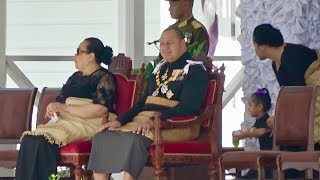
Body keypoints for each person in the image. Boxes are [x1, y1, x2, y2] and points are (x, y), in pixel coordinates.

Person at [87, 26, 209, 180]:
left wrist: (154, 121)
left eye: (170, 43)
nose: (165, 48)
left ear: (183, 43)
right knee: (102, 137)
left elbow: (188, 108)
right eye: (162, 44)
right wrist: (119, 121)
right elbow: (141, 104)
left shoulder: (194, 71)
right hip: (145, 121)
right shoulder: (159, 69)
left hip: (176, 125)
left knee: (134, 139)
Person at [15, 37, 117, 180]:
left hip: (89, 121)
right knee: (29, 139)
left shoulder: (105, 77)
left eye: (78, 52)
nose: (75, 56)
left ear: (91, 56)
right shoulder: (75, 77)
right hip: (67, 120)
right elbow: (62, 100)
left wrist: (66, 108)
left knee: (42, 141)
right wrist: (55, 109)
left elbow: (100, 109)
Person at [252, 23, 319, 178]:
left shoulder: (292, 56)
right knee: (272, 131)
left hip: (313, 106)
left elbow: (301, 95)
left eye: (255, 45)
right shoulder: (275, 64)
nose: (255, 50)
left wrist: (280, 119)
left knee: (286, 136)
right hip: (302, 110)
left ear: (262, 46)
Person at [145, 0, 210, 85]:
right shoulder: (171, 29)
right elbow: (160, 59)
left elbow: (198, 60)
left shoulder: (197, 30)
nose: (169, 9)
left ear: (185, 4)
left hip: (185, 81)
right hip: (163, 78)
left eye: (172, 5)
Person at [233, 88, 273, 179]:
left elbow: (261, 131)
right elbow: (251, 131)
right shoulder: (258, 121)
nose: (248, 108)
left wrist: (246, 135)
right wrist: (240, 135)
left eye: (250, 105)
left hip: (268, 159)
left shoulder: (266, 120)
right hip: (263, 158)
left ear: (259, 107)